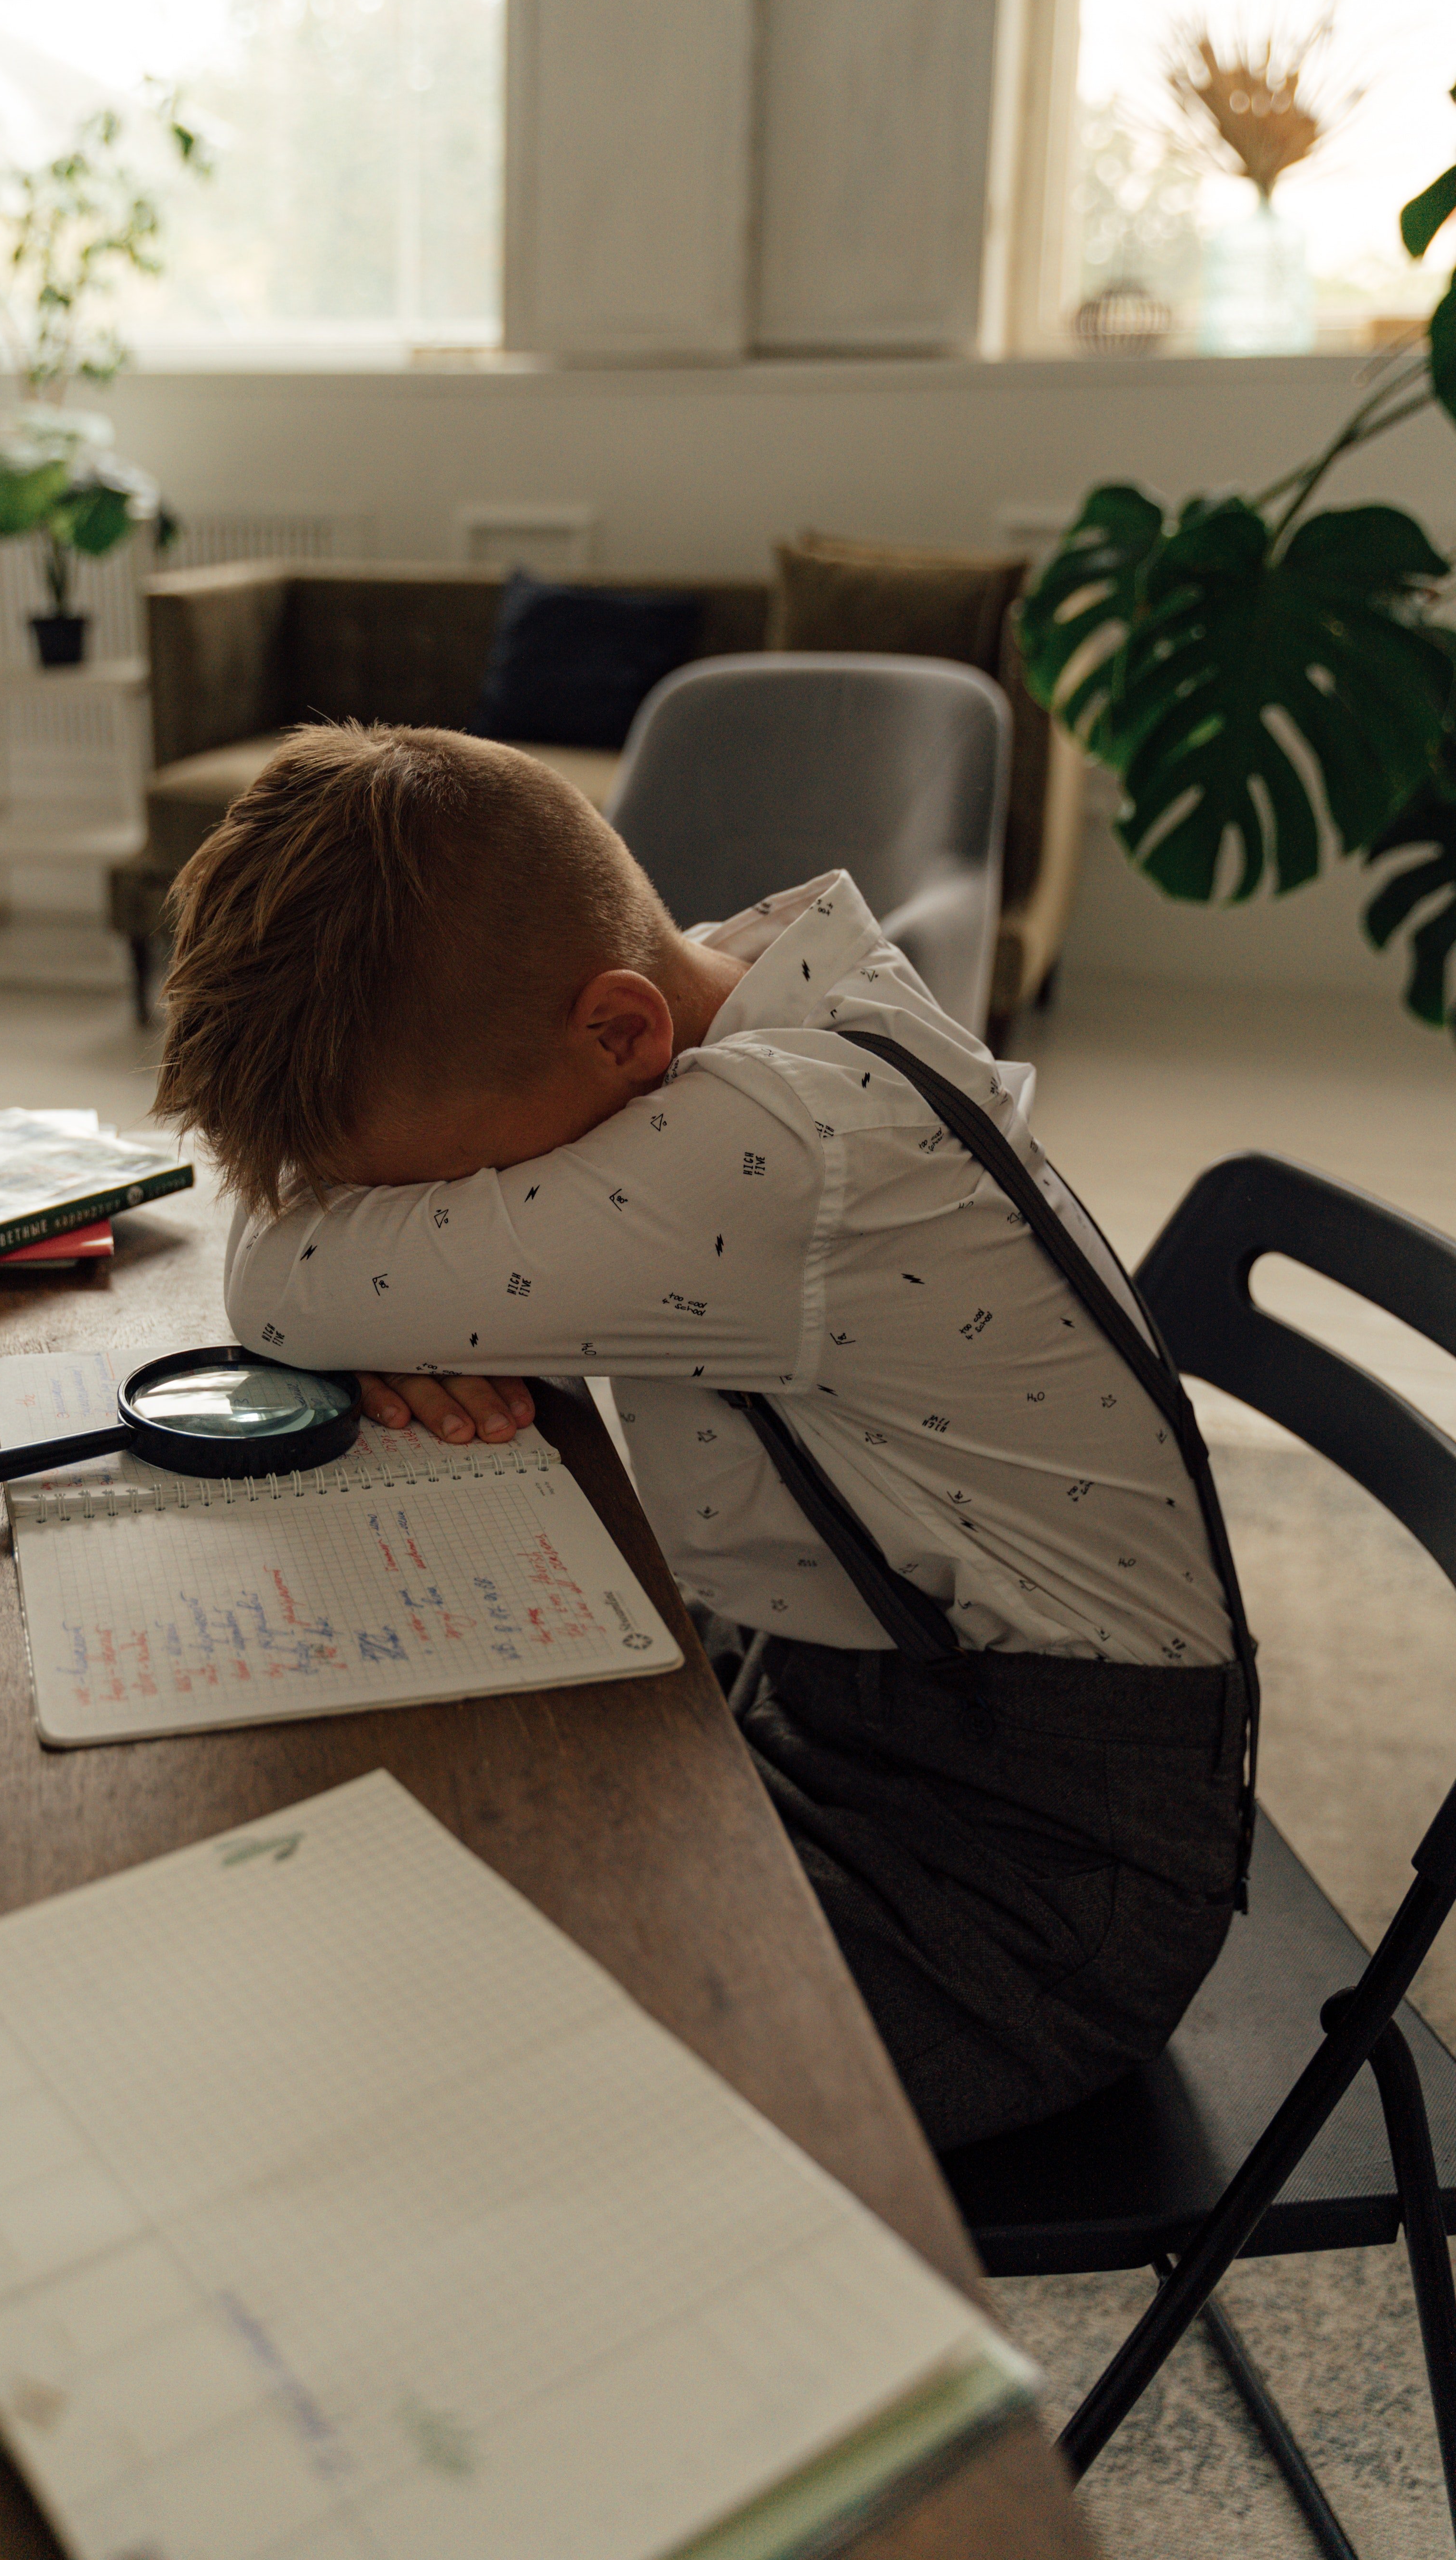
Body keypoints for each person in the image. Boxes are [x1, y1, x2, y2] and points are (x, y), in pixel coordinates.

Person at [153, 721, 1250, 2150]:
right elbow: (322, 1267)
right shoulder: (728, 988)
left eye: (461, 1193)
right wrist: (397, 1308)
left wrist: (381, 1302)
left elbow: (280, 1280)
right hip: (834, 1706)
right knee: (419, 1849)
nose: (450, 1222)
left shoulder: (782, 1147)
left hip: (1030, 1892)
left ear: (621, 1031)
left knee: (411, 2059)